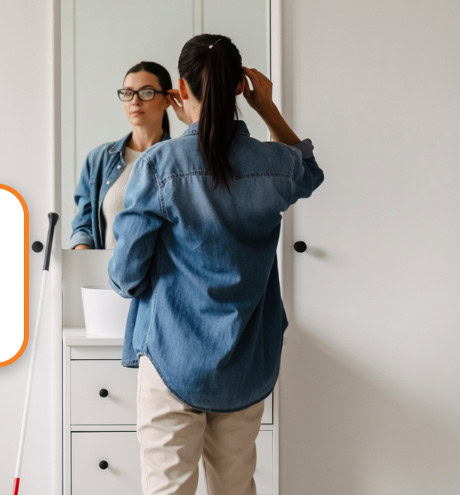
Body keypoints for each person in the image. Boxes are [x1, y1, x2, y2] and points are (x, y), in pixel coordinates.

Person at [108, 34, 324, 494]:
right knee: (234, 487)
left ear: (180, 89)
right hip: (245, 361)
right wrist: (267, 109)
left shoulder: (160, 165)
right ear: (238, 88)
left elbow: (125, 276)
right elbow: (310, 173)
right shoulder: (273, 164)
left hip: (172, 358)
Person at [69, 61, 190, 250]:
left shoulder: (181, 159)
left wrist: (191, 121)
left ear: (167, 100)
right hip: (105, 275)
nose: (135, 100)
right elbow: (83, 225)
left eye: (146, 92)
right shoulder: (99, 159)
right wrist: (86, 262)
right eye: (128, 93)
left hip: (163, 278)